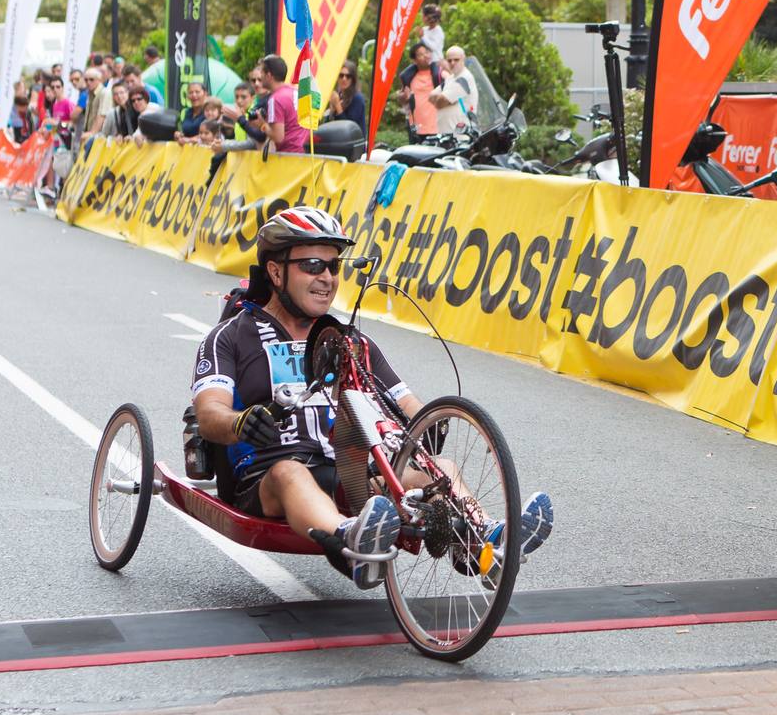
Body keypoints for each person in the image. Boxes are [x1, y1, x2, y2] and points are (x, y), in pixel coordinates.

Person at [190, 207, 554, 587]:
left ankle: (489, 537)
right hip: (269, 478)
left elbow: (408, 404)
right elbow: (209, 413)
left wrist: (429, 424)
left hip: (349, 473)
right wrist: (240, 421)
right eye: (313, 265)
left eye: (334, 267)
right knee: (290, 473)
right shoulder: (230, 337)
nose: (327, 278)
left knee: (440, 469)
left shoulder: (350, 341)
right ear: (276, 271)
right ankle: (350, 544)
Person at [260, 54, 309, 153]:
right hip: (304, 153)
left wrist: (262, 124)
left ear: (269, 75)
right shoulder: (297, 91)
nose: (260, 76)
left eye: (261, 72)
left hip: (289, 156)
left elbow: (278, 137)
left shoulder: (275, 99)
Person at [398, 43, 444, 142]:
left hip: (436, 126)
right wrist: (403, 97)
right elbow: (402, 96)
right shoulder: (409, 77)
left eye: (427, 52)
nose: (425, 56)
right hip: (416, 127)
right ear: (414, 60)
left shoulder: (439, 74)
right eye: (420, 54)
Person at [433, 47, 477, 137]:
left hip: (460, 136)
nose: (452, 63)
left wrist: (442, 100)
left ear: (463, 59)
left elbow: (439, 102)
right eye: (449, 60)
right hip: (447, 135)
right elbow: (432, 96)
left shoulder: (464, 78)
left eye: (456, 60)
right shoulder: (451, 78)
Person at [324, 60, 367, 136]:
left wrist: (337, 105)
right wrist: (332, 110)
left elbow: (348, 129)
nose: (344, 79)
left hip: (352, 146)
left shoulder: (357, 98)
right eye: (341, 75)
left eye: (348, 76)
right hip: (337, 143)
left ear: (353, 79)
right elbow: (328, 125)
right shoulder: (338, 96)